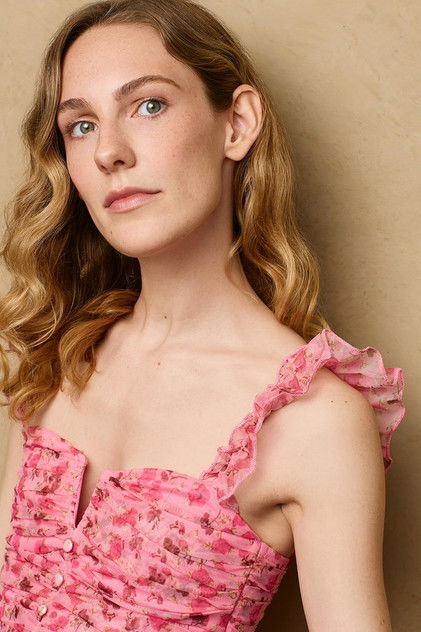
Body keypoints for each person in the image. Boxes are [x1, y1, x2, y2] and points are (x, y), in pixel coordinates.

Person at [0, 0, 405, 630]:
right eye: (80, 125)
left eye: (148, 105)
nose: (109, 152)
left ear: (237, 124)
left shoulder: (314, 419)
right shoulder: (55, 353)